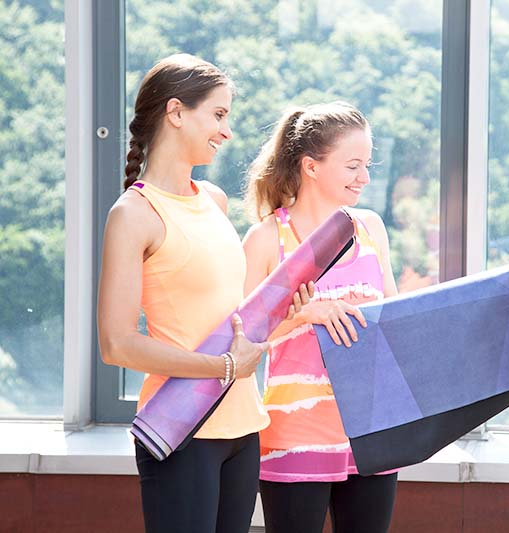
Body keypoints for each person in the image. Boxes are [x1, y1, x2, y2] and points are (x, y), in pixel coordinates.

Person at [97, 53, 311, 533]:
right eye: (218, 115)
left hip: (243, 426)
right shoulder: (133, 215)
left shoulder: (213, 200)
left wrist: (286, 312)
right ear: (176, 112)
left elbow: (229, 318)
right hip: (182, 430)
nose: (226, 131)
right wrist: (225, 368)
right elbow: (117, 344)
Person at [242, 102, 399, 533]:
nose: (364, 178)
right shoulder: (266, 239)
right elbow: (238, 342)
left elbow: (392, 320)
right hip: (294, 434)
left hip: (371, 430)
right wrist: (302, 315)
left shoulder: (371, 228)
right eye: (352, 166)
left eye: (367, 165)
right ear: (311, 166)